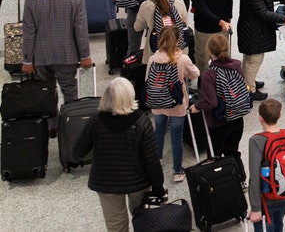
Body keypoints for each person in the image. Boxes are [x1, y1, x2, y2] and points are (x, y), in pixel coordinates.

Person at [80, 78, 167, 232]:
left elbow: (77, 152)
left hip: (106, 183)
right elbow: (151, 160)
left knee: (116, 227)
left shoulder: (95, 121)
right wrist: (158, 186)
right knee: (142, 220)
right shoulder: (142, 121)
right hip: (138, 181)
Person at [21, 0, 91, 102]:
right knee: (70, 92)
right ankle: (68, 120)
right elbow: (80, 29)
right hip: (67, 55)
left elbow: (28, 32)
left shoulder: (31, 1)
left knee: (45, 94)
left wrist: (27, 60)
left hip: (41, 57)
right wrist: (85, 56)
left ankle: (50, 122)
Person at [147, 26, 200, 183]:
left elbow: (147, 80)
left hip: (157, 103)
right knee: (176, 137)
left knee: (159, 131)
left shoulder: (153, 59)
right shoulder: (182, 59)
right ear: (178, 40)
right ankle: (177, 171)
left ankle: (157, 160)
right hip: (176, 105)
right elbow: (195, 74)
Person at [247, 99, 285, 231]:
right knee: (278, 224)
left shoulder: (256, 141)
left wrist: (256, 208)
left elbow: (255, 177)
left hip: (266, 200)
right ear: (280, 115)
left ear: (260, 118)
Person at [190, 34, 247, 173]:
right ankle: (240, 179)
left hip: (219, 122)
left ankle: (217, 185)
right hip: (237, 117)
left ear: (209, 51)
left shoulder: (209, 75)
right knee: (233, 152)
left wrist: (197, 106)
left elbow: (211, 102)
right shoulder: (237, 65)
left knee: (214, 156)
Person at [132, 0, 190, 64]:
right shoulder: (179, 2)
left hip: (155, 50)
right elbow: (185, 24)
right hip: (178, 50)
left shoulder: (146, 5)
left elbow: (137, 27)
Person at [190, 0, 233, 73]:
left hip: (222, 27)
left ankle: (222, 78)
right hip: (204, 29)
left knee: (223, 56)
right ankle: (203, 79)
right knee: (202, 57)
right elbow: (203, 9)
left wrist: (229, 18)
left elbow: (229, 0)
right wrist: (220, 21)